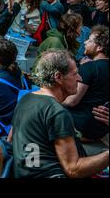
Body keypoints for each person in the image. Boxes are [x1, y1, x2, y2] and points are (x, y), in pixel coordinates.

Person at [11, 49, 109, 178]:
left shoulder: (26, 99)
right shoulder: (57, 112)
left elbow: (11, 139)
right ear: (58, 77)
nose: (79, 78)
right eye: (75, 74)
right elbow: (73, 169)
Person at [63, 25, 109, 141]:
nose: (85, 42)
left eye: (89, 40)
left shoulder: (90, 67)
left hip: (81, 126)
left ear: (99, 47)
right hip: (100, 129)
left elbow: (72, 101)